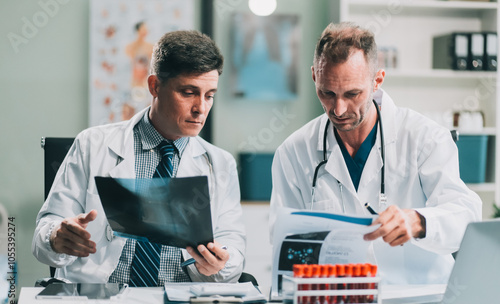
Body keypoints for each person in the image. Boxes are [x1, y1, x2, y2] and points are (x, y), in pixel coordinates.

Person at [270, 22, 482, 284]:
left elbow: (467, 215)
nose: (338, 109)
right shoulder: (293, 152)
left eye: (352, 94)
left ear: (377, 81)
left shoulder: (424, 138)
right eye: (327, 93)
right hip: (337, 303)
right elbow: (284, 244)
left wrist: (418, 221)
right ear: (315, 76)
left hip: (418, 303)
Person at [33, 30, 246, 285]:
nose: (201, 108)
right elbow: (43, 236)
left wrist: (220, 263)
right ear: (155, 86)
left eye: (209, 95)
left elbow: (233, 248)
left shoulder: (220, 163)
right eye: (188, 92)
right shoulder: (92, 144)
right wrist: (56, 237)